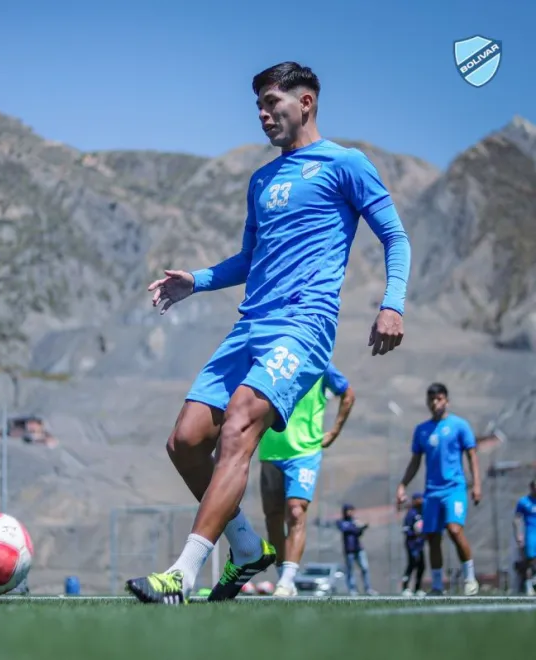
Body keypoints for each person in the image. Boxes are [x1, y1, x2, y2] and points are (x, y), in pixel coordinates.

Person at [126, 61, 410, 605]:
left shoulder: (345, 164)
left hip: (303, 327)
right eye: (257, 105)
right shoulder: (262, 180)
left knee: (238, 428)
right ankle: (246, 548)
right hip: (249, 326)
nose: (262, 114)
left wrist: (391, 304)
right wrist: (199, 280)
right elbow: (251, 259)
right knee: (184, 441)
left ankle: (182, 574)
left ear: (306, 103)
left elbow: (396, 237)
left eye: (272, 102)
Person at [259, 362, 355, 597]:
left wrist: (334, 431)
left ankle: (288, 579)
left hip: (304, 452)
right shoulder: (272, 361)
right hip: (271, 451)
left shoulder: (319, 364)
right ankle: (283, 576)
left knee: (295, 511)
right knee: (272, 518)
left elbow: (348, 393)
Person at [396, 383, 481, 596]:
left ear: (447, 401)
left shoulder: (459, 426)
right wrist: (402, 485)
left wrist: (477, 484)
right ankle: (436, 586)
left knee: (454, 529)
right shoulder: (422, 430)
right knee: (433, 538)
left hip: (454, 489)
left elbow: (472, 455)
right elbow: (415, 461)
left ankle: (470, 578)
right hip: (432, 492)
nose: (435, 403)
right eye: (432, 399)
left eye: (439, 399)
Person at [336, 504, 374, 595]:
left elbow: (358, 532)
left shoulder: (355, 521)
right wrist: (356, 526)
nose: (350, 512)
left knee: (365, 568)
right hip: (349, 549)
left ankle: (368, 588)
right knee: (350, 570)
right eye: (348, 510)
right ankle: (352, 589)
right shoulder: (342, 522)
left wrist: (362, 527)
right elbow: (346, 529)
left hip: (358, 548)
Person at [400, 492, 427, 597]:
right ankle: (405, 587)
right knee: (412, 565)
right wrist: (414, 533)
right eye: (418, 499)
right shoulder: (411, 513)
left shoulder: (423, 513)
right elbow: (405, 529)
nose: (421, 501)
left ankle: (418, 588)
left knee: (422, 566)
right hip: (412, 544)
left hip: (420, 544)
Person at [514, 479, 536, 596]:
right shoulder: (524, 502)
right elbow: (517, 519)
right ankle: (528, 585)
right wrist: (518, 534)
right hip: (531, 534)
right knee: (530, 561)